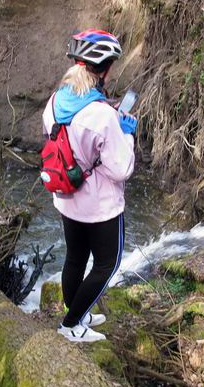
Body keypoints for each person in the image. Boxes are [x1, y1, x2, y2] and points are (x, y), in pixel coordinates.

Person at [42, 29, 136, 343]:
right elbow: (121, 168)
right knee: (108, 263)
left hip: (67, 197)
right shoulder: (102, 115)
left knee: (76, 257)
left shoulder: (56, 101)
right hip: (100, 206)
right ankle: (71, 325)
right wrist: (127, 133)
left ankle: (77, 311)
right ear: (106, 69)